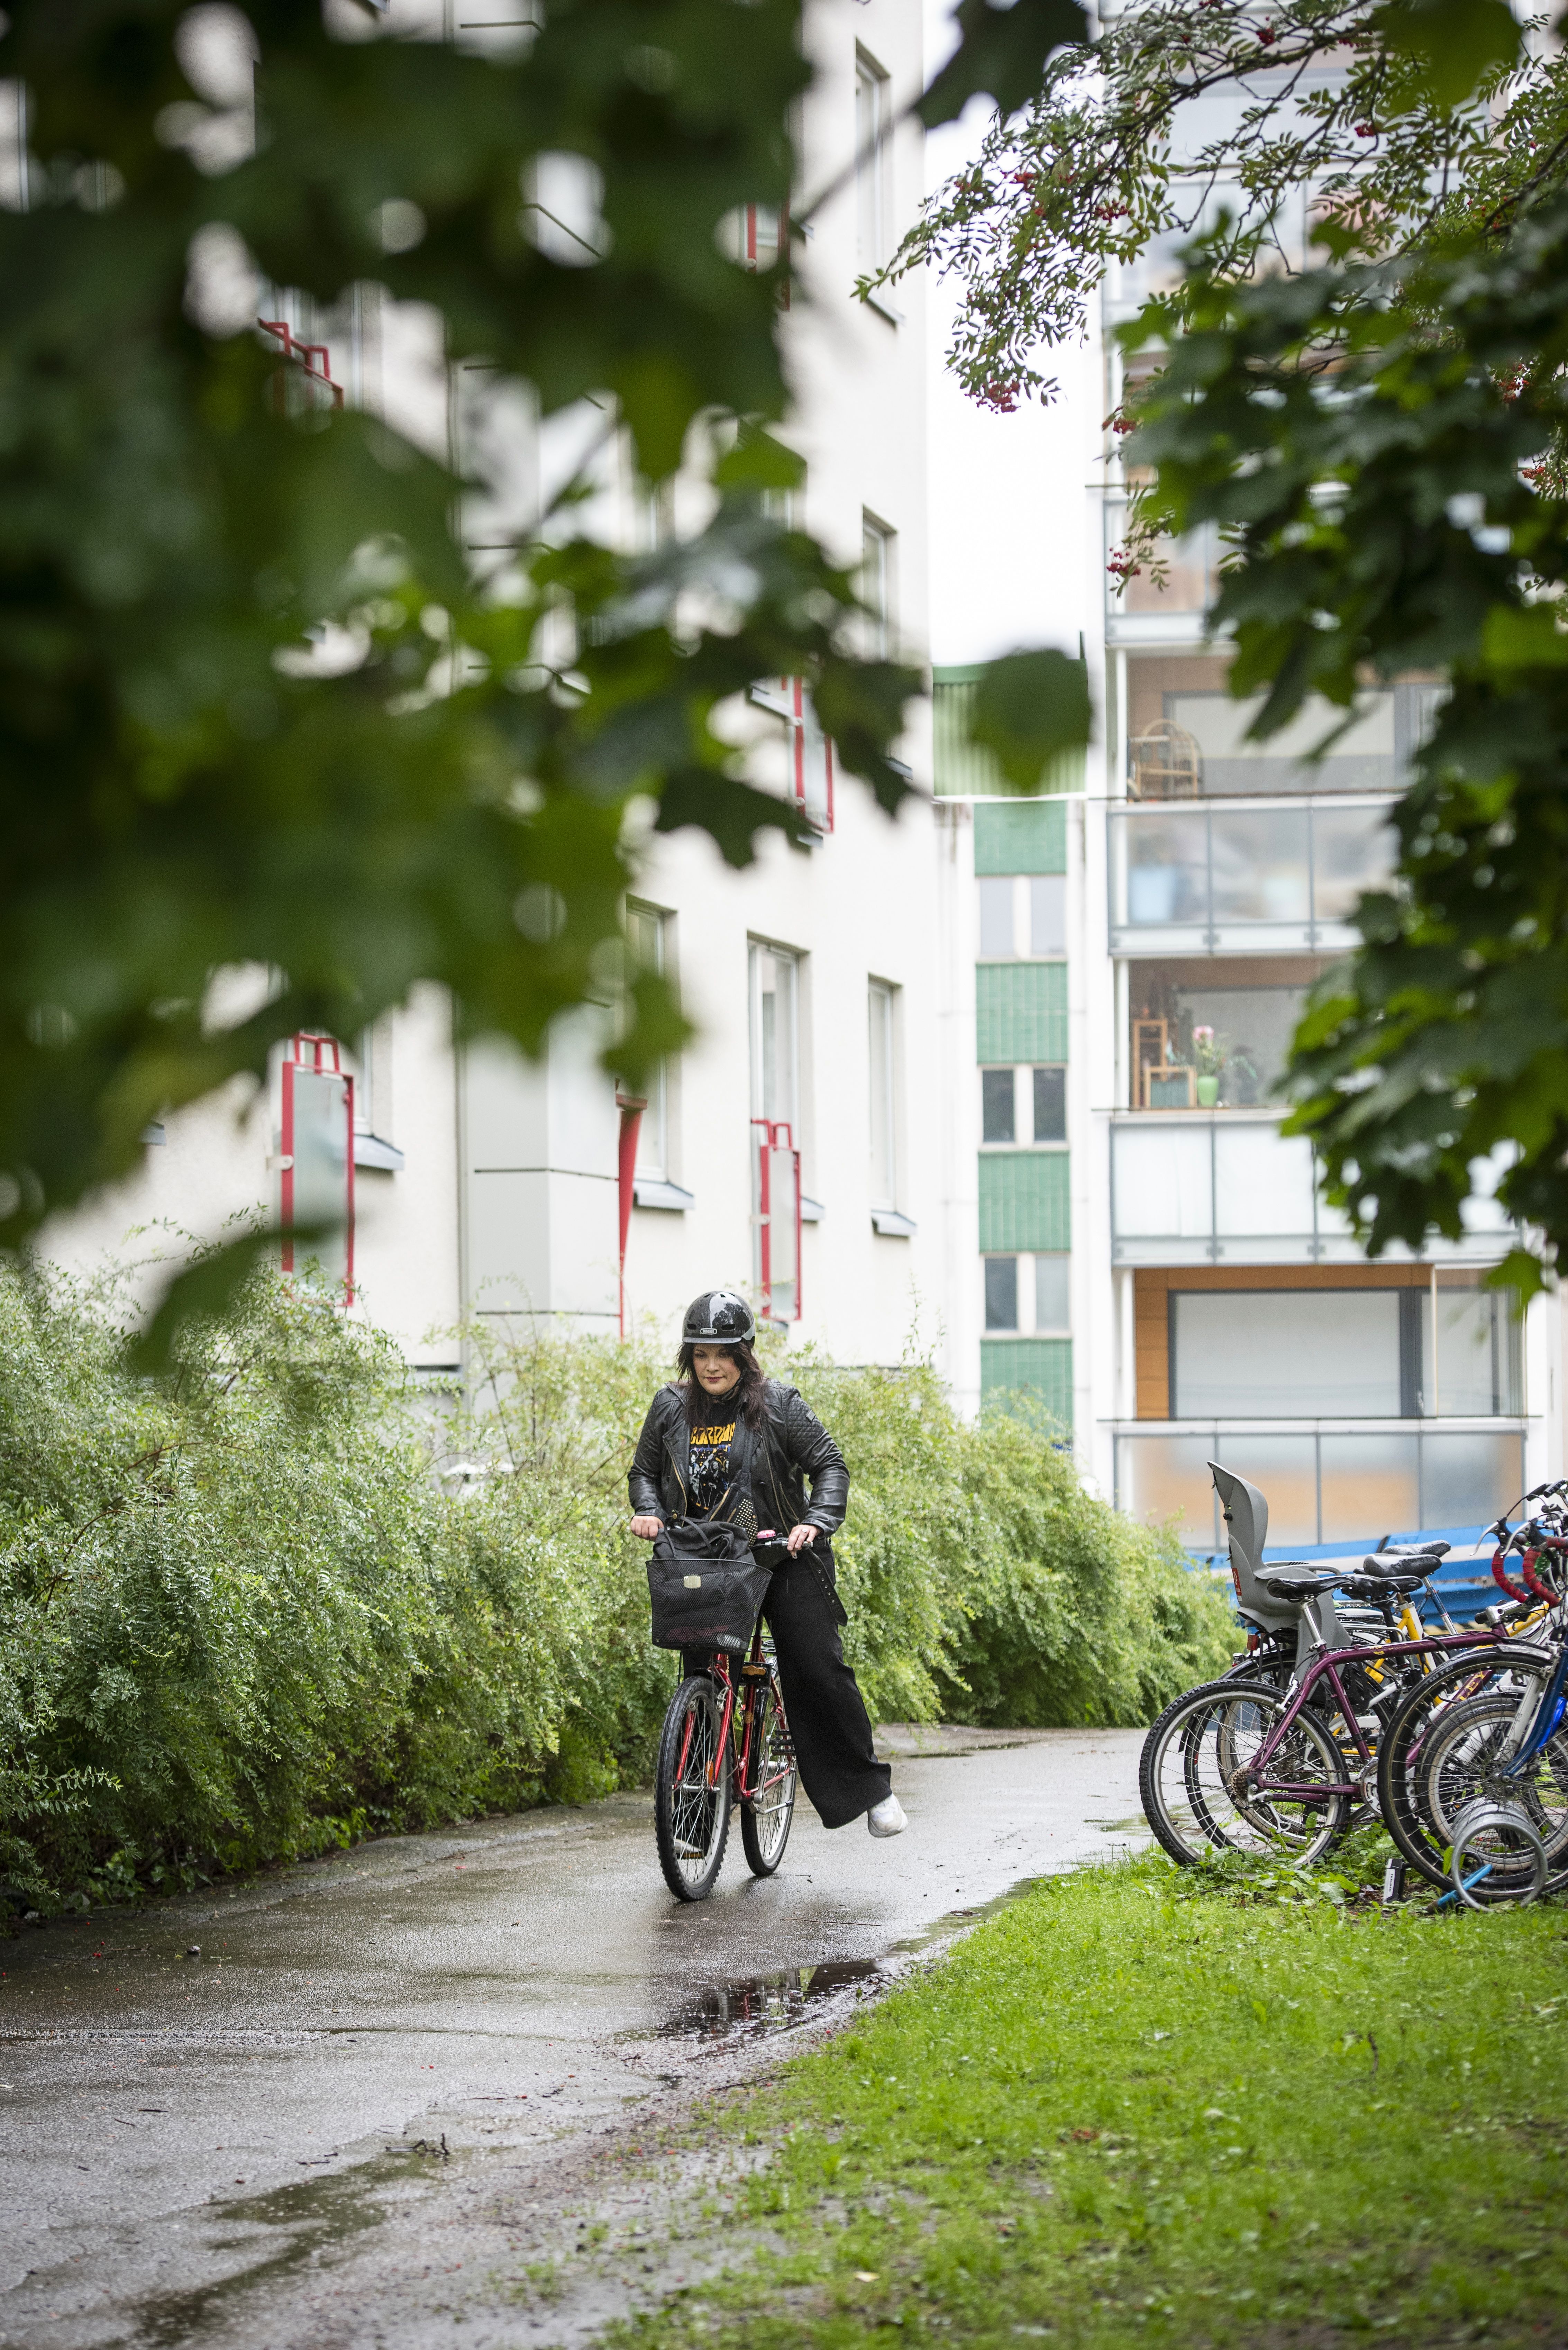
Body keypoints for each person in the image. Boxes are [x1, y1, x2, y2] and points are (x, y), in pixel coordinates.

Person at [628, 1289, 907, 1839]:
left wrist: (817, 1521)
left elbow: (829, 1465)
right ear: (690, 1356)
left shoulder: (779, 1403)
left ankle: (872, 1794)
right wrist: (648, 1511)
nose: (712, 1365)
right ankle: (695, 1823)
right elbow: (644, 1472)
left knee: (814, 1667)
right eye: (701, 1353)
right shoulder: (669, 1406)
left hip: (785, 1554)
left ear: (745, 1353)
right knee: (705, 1677)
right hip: (709, 1560)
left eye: (724, 1354)